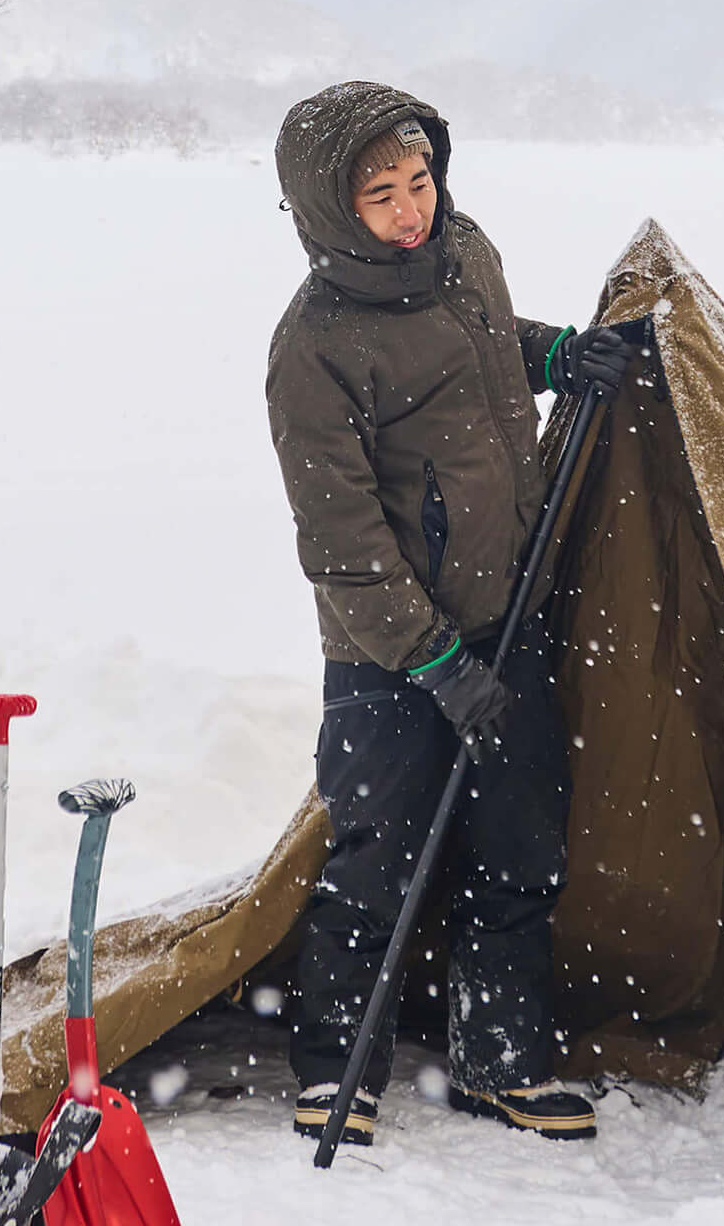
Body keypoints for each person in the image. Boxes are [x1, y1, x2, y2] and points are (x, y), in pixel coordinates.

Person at [264, 81, 640, 1146]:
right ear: (331, 210)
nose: (410, 209)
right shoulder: (314, 348)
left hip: (503, 619)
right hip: (388, 660)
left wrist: (558, 354)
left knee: (517, 847)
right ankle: (337, 1068)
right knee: (375, 857)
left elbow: (475, 350)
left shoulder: (465, 254)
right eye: (380, 194)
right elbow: (341, 546)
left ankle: (500, 1061)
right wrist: (432, 665)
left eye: (419, 179)